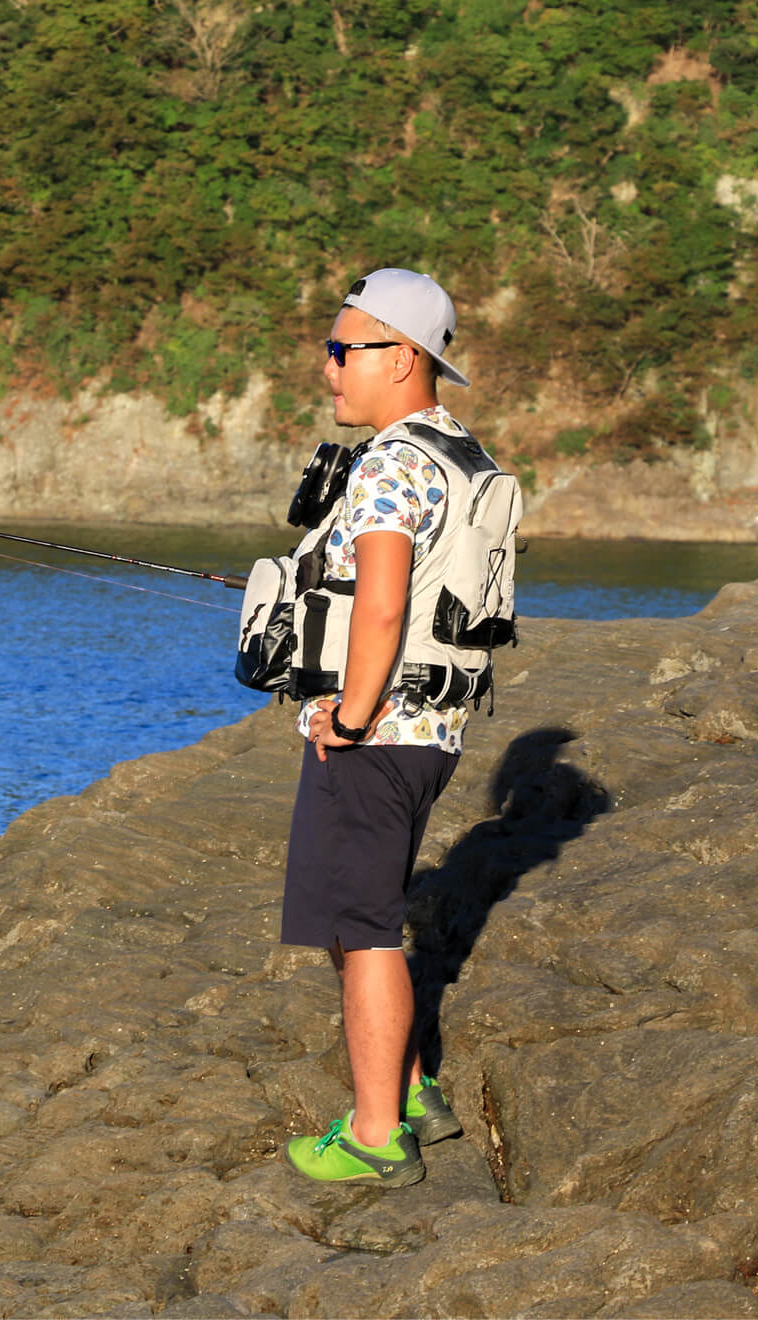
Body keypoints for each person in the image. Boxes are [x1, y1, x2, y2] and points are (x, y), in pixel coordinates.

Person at [279, 268, 480, 1187]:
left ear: (401, 356)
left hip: (381, 735)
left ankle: (373, 1137)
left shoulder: (393, 461)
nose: (330, 371)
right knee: (358, 912)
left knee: (361, 928)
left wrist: (348, 718)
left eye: (341, 350)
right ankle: (406, 1088)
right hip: (434, 734)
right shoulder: (455, 450)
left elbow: (385, 602)